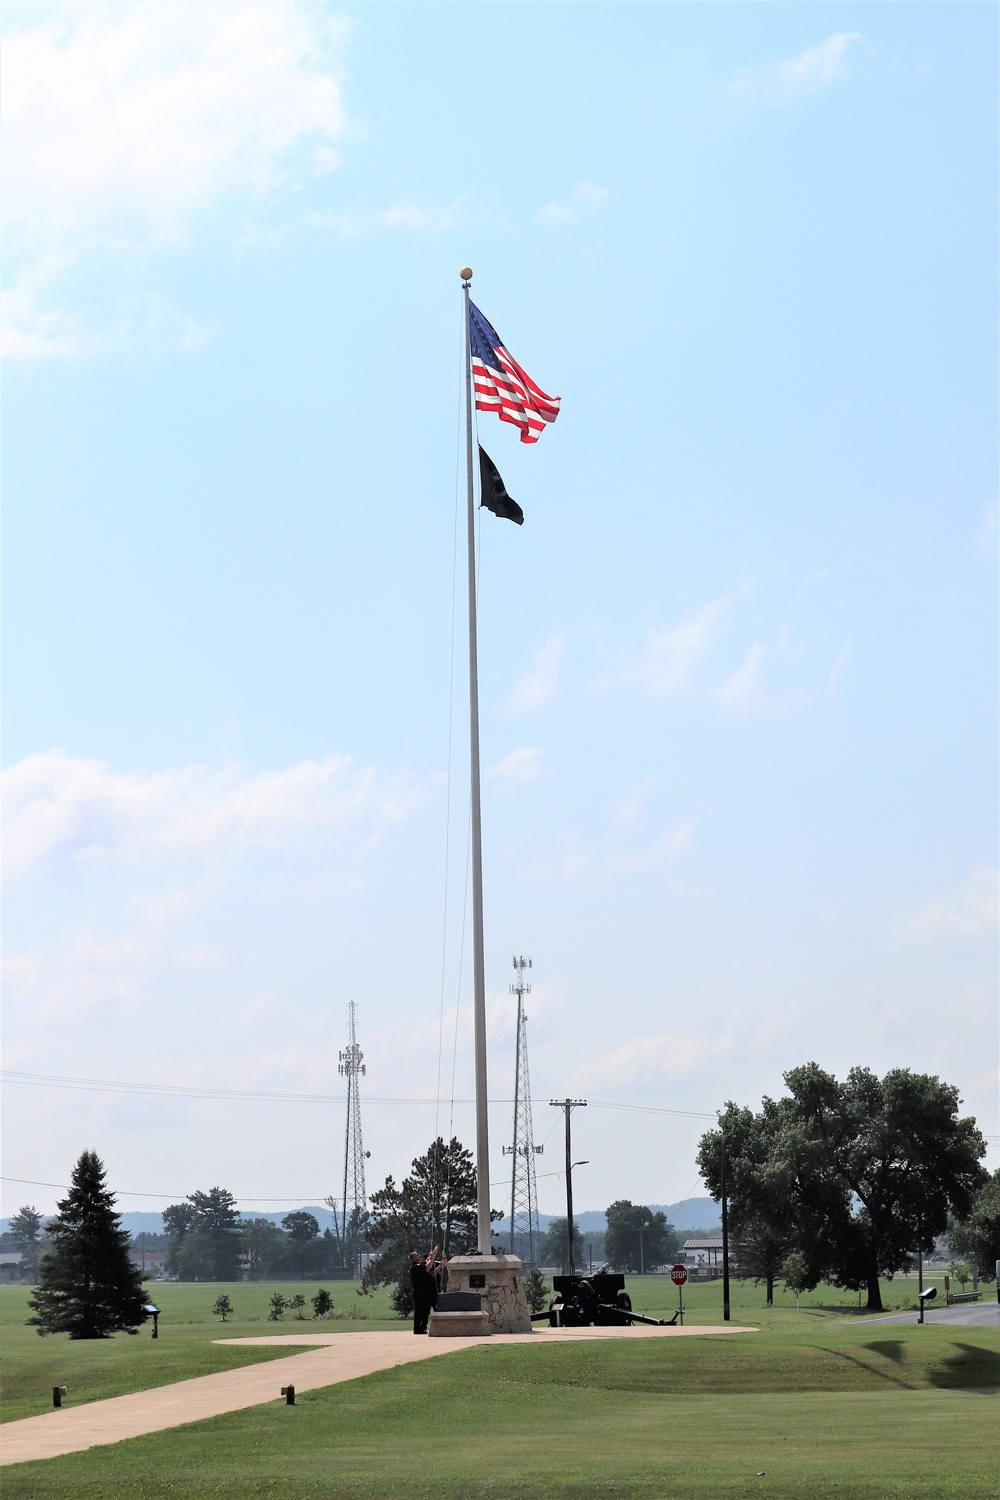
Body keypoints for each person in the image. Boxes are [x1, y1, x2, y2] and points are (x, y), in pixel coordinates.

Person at [409, 1245, 446, 1334]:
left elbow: (432, 1273)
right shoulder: (416, 1267)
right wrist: (432, 1256)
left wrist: (434, 1253)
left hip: (424, 1292)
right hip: (418, 1291)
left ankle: (422, 1328)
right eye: (417, 1255)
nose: (419, 1256)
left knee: (425, 1311)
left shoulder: (421, 1264)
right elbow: (428, 1266)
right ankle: (417, 1329)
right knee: (419, 1311)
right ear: (413, 1258)